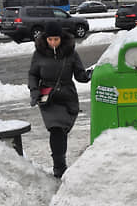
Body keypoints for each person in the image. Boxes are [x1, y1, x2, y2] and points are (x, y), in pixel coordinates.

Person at [28, 22, 91, 178]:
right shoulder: (39, 53)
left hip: (67, 96)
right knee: (55, 129)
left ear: (61, 38)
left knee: (62, 131)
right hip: (48, 97)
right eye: (50, 39)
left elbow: (79, 75)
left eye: (56, 39)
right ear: (45, 39)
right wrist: (34, 90)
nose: (53, 42)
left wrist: (89, 75)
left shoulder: (71, 53)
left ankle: (60, 163)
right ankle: (59, 166)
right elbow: (33, 74)